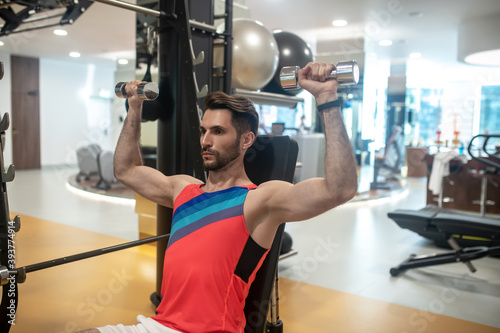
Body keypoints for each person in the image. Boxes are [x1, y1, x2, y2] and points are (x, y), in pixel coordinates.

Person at [77, 62, 358, 333]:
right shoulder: (183, 190)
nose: (205, 141)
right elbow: (126, 169)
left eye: (218, 132)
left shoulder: (260, 201)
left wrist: (327, 99)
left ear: (247, 140)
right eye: (203, 131)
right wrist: (134, 106)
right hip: (158, 324)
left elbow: (339, 189)